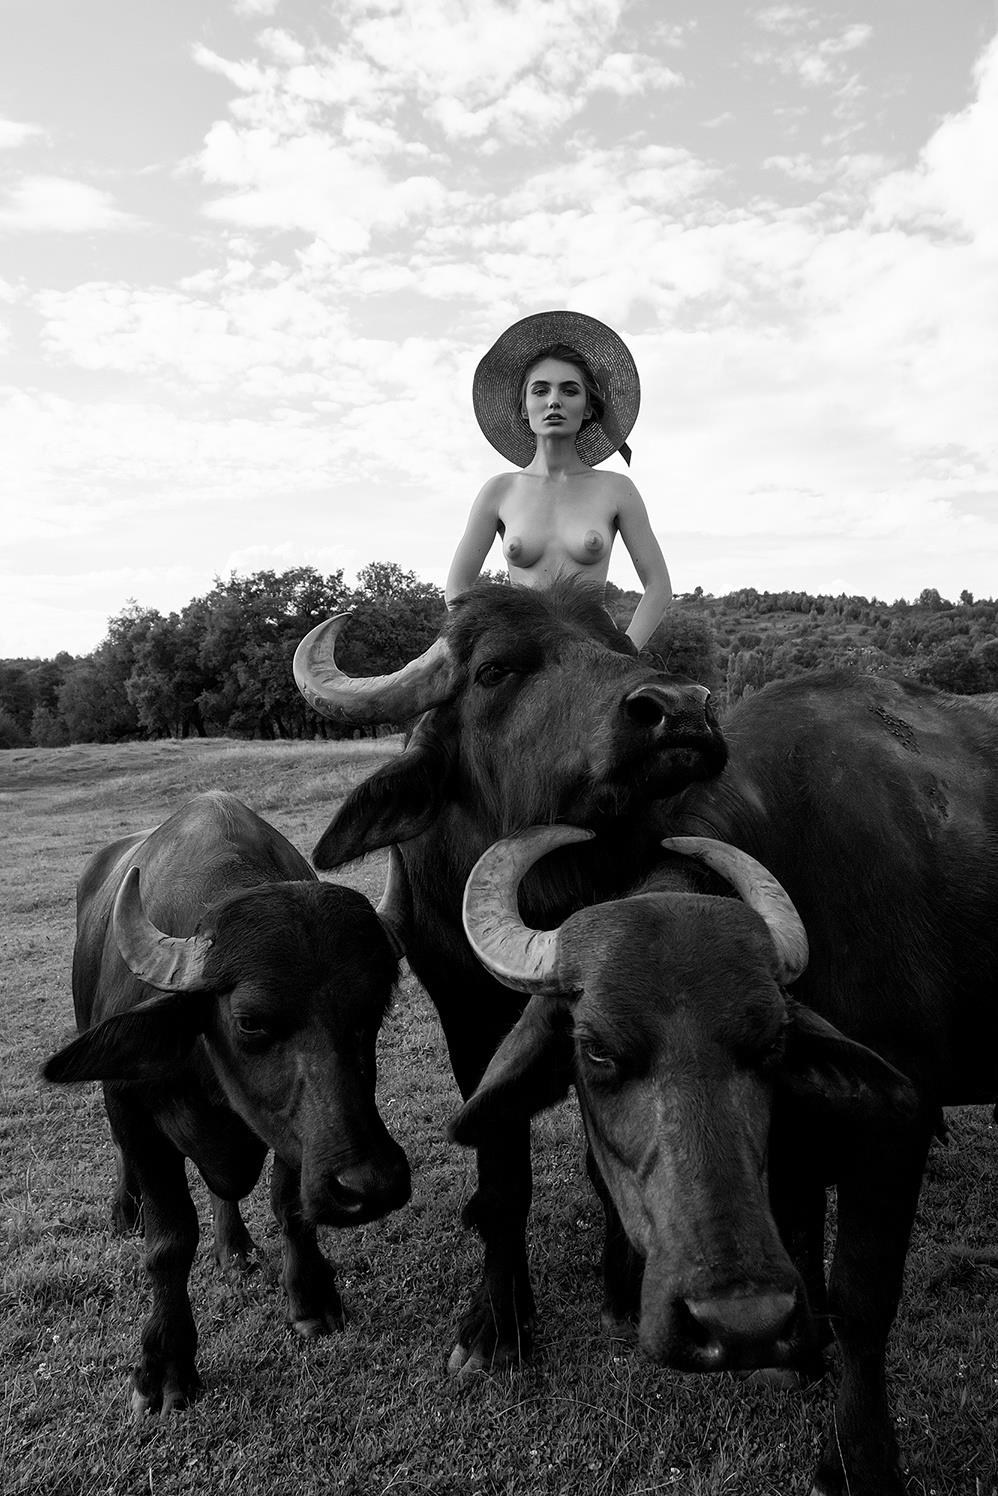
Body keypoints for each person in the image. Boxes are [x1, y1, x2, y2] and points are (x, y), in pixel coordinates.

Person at [446, 310, 672, 651]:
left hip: (594, 654)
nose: (554, 401)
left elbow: (658, 587)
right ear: (524, 408)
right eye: (540, 391)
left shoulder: (617, 489)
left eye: (569, 390)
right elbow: (457, 587)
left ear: (588, 408)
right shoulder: (499, 491)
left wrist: (625, 652)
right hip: (523, 656)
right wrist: (496, 643)